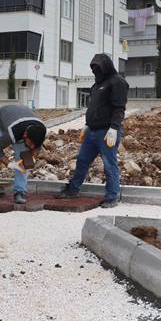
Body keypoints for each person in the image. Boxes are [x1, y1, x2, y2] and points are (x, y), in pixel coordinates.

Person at [56, 53, 129, 208]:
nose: (96, 72)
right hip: (92, 131)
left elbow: (119, 108)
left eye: (99, 68)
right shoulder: (96, 85)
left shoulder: (118, 82)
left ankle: (112, 196)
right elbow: (93, 108)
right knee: (82, 160)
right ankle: (72, 189)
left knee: (109, 164)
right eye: (94, 69)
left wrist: (114, 128)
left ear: (106, 66)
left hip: (107, 132)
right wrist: (87, 125)